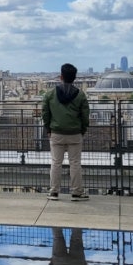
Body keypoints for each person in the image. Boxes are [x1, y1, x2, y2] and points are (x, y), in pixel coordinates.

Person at [42, 62, 90, 201]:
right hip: (75, 133)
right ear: (74, 78)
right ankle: (76, 192)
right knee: (75, 163)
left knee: (56, 163)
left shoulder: (50, 94)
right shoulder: (80, 95)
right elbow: (85, 115)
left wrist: (48, 128)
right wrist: (82, 130)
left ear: (61, 77)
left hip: (56, 132)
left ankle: (54, 192)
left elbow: (45, 113)